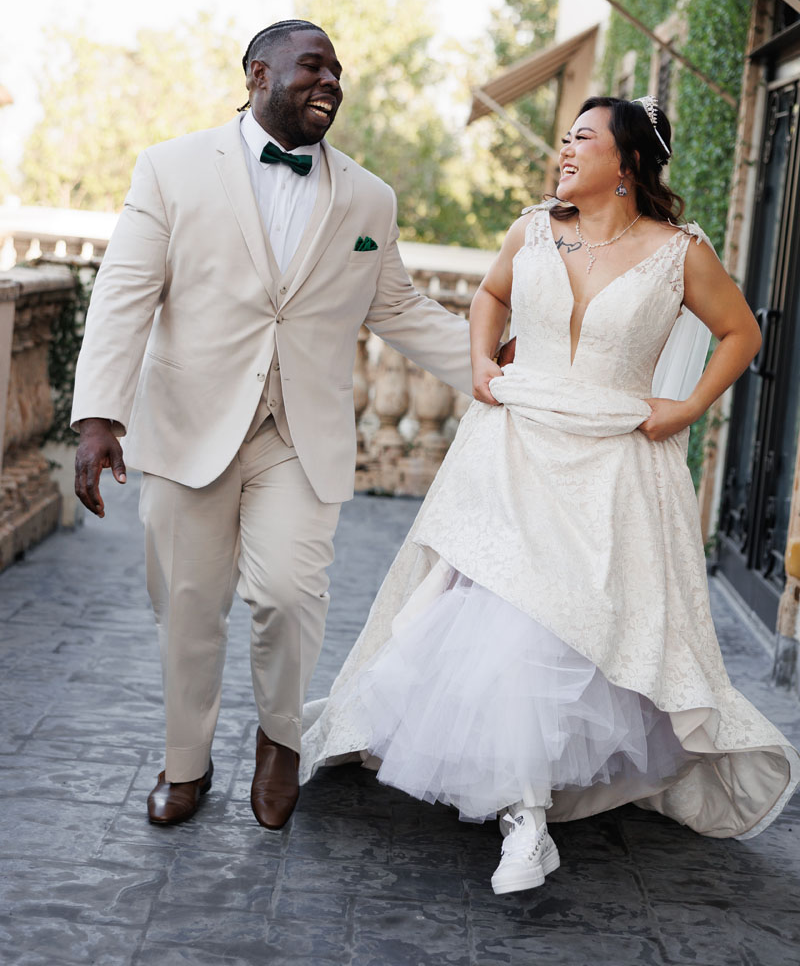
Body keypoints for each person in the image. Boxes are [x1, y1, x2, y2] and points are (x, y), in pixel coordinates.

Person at [301, 95, 800, 894]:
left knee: (568, 628)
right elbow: (489, 297)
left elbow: (741, 331)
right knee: (504, 615)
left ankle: (532, 805)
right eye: (565, 139)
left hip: (612, 459)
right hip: (514, 444)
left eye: (582, 140)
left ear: (628, 164)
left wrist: (689, 405)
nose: (565, 151)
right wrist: (479, 364)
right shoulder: (534, 228)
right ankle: (524, 820)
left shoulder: (679, 252)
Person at [71, 19, 472, 830]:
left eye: (338, 71)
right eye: (312, 67)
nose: (332, 82)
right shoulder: (172, 168)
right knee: (187, 605)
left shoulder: (369, 196)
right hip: (190, 428)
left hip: (300, 435)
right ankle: (184, 766)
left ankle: (279, 742)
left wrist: (499, 371)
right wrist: (97, 417)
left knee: (289, 595)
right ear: (257, 73)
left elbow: (397, 306)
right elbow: (123, 295)